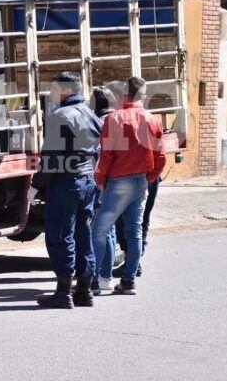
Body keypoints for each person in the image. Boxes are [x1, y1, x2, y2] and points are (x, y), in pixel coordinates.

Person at [30, 72, 102, 309]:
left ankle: (63, 293)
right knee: (83, 235)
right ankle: (84, 290)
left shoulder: (60, 116)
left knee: (61, 236)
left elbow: (52, 158)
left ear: (66, 90)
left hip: (65, 184)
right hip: (86, 181)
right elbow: (98, 151)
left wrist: (35, 186)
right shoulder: (91, 115)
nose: (51, 94)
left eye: (54, 89)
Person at [93, 77, 165, 295]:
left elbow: (107, 155)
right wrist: (149, 177)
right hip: (140, 180)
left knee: (100, 229)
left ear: (125, 95)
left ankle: (94, 280)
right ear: (143, 95)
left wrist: (101, 181)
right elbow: (160, 156)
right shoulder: (153, 120)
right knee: (134, 231)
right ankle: (128, 281)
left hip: (117, 180)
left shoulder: (114, 119)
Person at [89, 86, 118, 294]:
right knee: (110, 229)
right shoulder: (118, 119)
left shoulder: (98, 123)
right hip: (118, 180)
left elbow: (98, 157)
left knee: (101, 231)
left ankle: (99, 277)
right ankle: (106, 276)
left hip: (102, 182)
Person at [113, 176, 161, 278]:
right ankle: (133, 263)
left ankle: (132, 264)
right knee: (140, 221)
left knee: (126, 221)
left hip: (136, 176)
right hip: (148, 177)